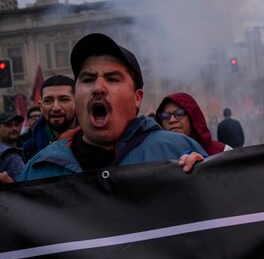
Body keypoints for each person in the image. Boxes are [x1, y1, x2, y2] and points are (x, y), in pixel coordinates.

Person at [10, 33, 206, 183]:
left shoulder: (178, 151)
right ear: (76, 96)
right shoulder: (39, 169)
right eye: (87, 79)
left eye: (112, 79)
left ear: (137, 98)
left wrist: (204, 176)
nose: (98, 88)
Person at [22, 75, 78, 162]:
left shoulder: (95, 141)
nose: (56, 108)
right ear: (41, 106)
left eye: (64, 99)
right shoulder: (28, 150)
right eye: (48, 101)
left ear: (76, 102)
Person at [156, 92, 230, 155]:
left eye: (179, 113)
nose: (172, 120)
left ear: (192, 117)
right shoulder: (156, 156)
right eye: (165, 116)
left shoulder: (223, 152)